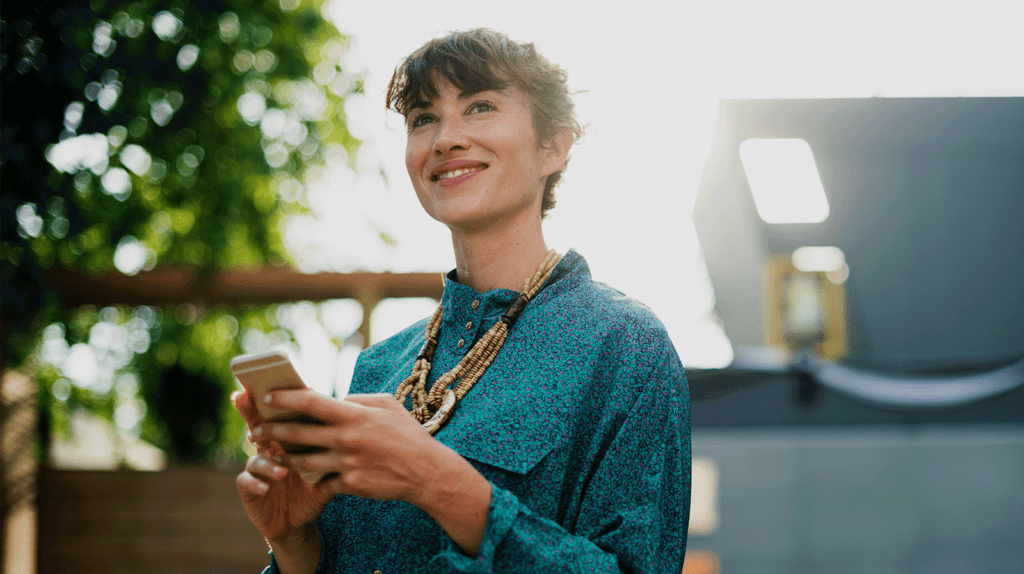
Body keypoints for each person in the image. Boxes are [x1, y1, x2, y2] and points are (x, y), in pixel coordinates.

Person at [233, 28, 691, 573]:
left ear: (554, 146)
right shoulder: (379, 368)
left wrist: (436, 481)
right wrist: (294, 544)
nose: (446, 138)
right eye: (423, 118)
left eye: (480, 106)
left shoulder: (624, 346)